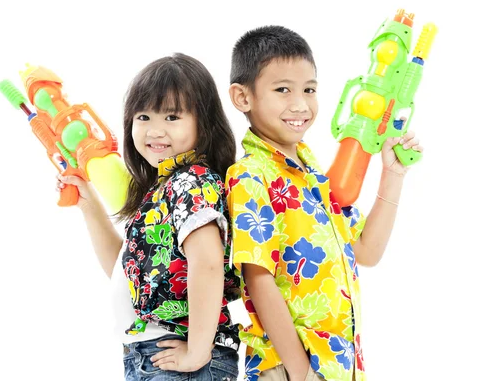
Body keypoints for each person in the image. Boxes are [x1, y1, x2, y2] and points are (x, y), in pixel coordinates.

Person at [225, 26, 423, 381]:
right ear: (243, 98)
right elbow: (257, 280)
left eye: (309, 90)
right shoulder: (251, 175)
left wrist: (393, 175)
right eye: (282, 89)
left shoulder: (315, 175)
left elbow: (366, 251)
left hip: (339, 367)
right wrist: (302, 373)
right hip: (292, 370)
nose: (300, 105)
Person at [57, 53, 240, 381]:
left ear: (205, 123)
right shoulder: (161, 191)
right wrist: (89, 206)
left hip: (180, 354)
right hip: (150, 353)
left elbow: (208, 263)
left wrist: (198, 350)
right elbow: (125, 270)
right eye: (143, 117)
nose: (155, 130)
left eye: (172, 116)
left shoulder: (192, 182)